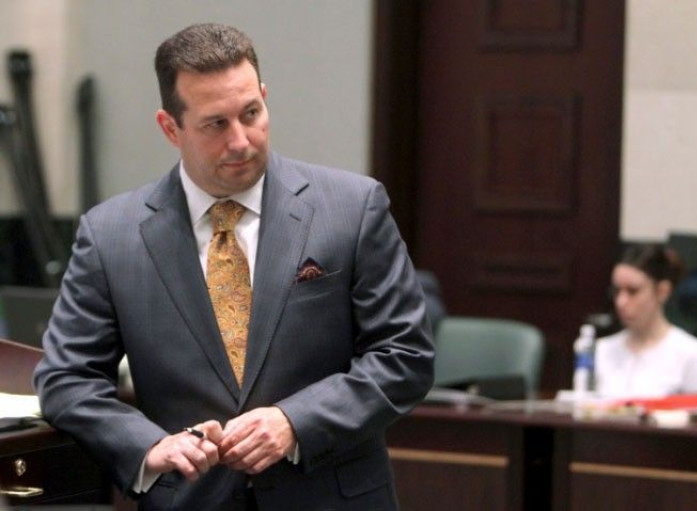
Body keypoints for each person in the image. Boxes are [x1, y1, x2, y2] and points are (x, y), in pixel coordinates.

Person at [33, 23, 434, 510]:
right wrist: (147, 445)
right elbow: (67, 379)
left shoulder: (351, 208)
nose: (242, 140)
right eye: (215, 124)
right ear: (170, 128)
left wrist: (294, 422)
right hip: (189, 499)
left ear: (264, 96)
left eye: (251, 113)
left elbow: (405, 353)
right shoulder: (111, 234)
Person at [594, 244, 697, 398]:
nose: (621, 302)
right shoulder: (603, 350)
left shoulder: (691, 353)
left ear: (662, 291)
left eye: (633, 291)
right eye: (617, 290)